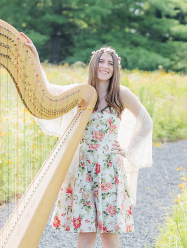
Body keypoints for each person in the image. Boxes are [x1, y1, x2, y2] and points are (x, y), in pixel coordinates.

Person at [20, 33, 153, 248]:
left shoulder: (120, 94)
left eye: (110, 63)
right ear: (93, 64)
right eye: (101, 61)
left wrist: (128, 149)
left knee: (108, 232)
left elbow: (146, 122)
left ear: (115, 68)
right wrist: (34, 56)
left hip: (109, 168)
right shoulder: (82, 92)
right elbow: (50, 90)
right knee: (86, 231)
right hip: (84, 168)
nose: (105, 66)